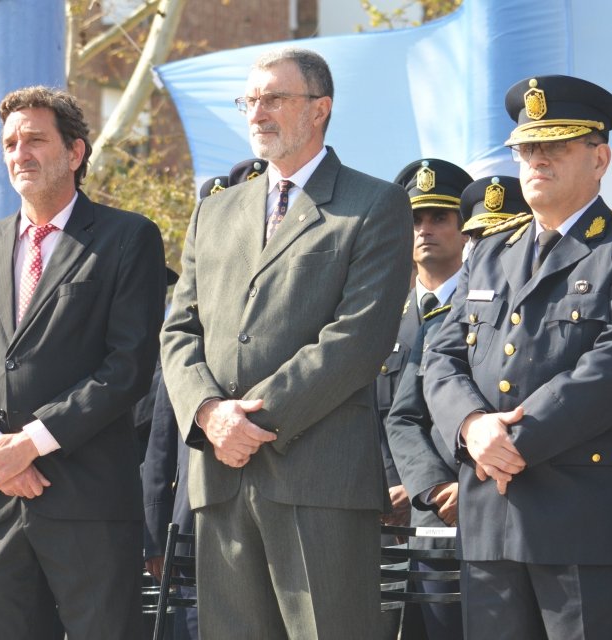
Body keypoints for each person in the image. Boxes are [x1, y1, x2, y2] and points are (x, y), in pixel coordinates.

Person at [160, 47, 413, 638]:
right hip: (221, 477)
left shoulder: (372, 204)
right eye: (249, 100)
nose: (257, 112)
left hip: (317, 479)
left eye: (274, 98)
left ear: (319, 109)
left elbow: (358, 337)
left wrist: (253, 420)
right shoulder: (214, 212)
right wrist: (209, 414)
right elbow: (179, 331)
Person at [423, 75, 612, 639]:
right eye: (528, 148)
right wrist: (471, 426)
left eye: (556, 146)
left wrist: (511, 441)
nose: (537, 160)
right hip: (489, 519)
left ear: (599, 157)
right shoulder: (487, 251)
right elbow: (439, 356)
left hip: (583, 520)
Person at [0, 85, 166, 640]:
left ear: (75, 152)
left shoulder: (127, 238)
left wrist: (30, 444)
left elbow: (126, 367)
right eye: (10, 143)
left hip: (88, 505)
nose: (19, 153)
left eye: (35, 139)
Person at [386, 174, 532, 640]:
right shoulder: (443, 321)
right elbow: (404, 413)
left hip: (538, 508)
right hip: (442, 516)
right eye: (482, 236)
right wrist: (432, 486)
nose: (493, 247)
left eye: (439, 218)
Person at [379, 159, 473, 539]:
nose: (424, 230)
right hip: (384, 512)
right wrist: (390, 486)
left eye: (439, 218)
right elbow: (376, 416)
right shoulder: (379, 319)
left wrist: (424, 485)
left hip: (454, 506)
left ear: (465, 228)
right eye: (416, 220)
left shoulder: (480, 309)